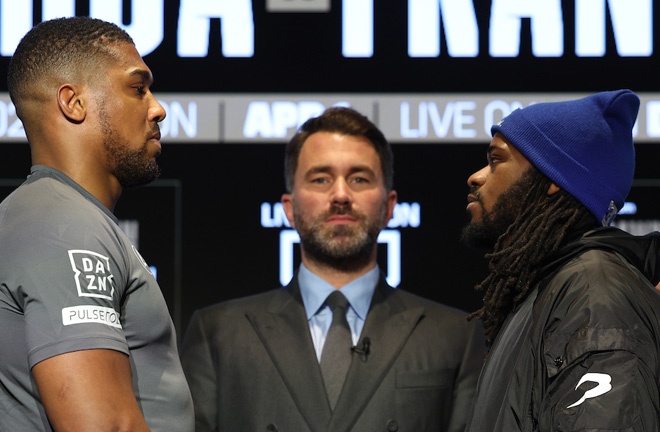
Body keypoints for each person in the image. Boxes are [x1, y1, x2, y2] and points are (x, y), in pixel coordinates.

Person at [180, 106, 485, 432]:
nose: (340, 195)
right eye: (321, 178)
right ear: (289, 208)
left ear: (389, 207)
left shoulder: (456, 337)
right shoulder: (218, 335)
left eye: (359, 178)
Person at [0, 17, 194, 431]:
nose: (157, 108)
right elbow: (104, 426)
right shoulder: (63, 227)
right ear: (73, 103)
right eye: (137, 88)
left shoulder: (60, 217)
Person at [461, 89, 660, 431]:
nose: (477, 176)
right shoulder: (554, 288)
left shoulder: (595, 295)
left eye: (496, 159)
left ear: (552, 179)